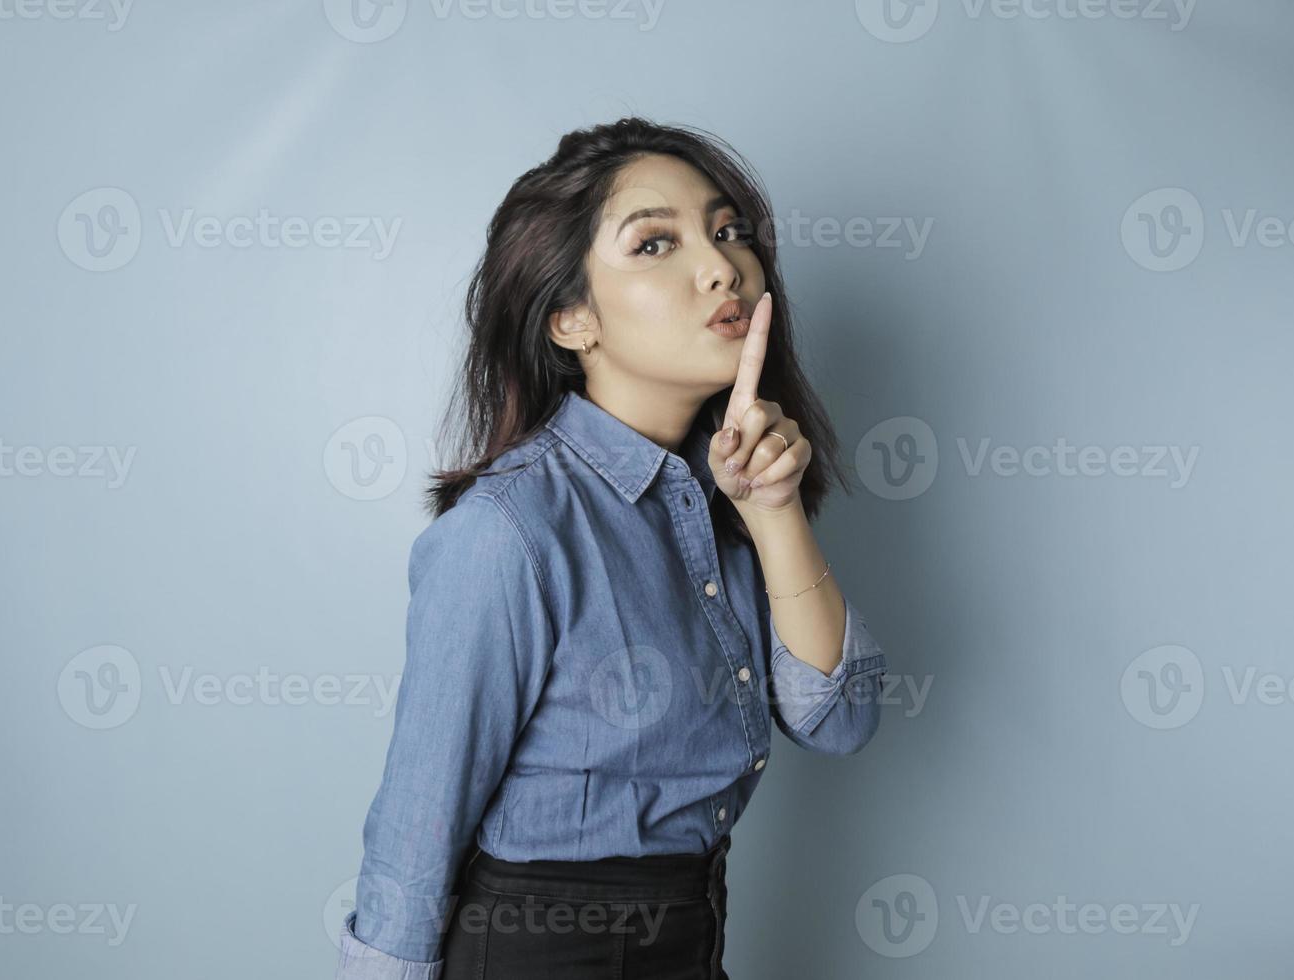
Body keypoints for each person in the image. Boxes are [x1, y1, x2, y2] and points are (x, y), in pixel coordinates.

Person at [334, 117, 890, 980]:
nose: (721, 266)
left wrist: (775, 510)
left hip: (690, 937)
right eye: (655, 243)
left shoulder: (723, 505)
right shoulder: (508, 531)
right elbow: (418, 817)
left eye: (727, 230)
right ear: (569, 320)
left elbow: (843, 721)